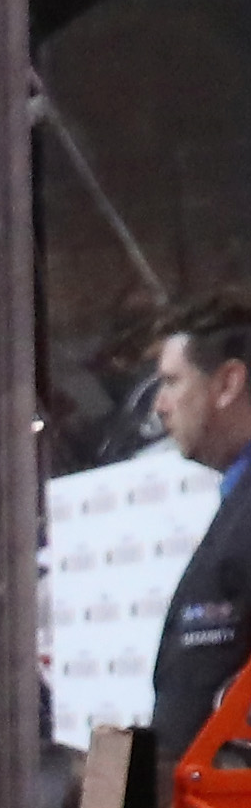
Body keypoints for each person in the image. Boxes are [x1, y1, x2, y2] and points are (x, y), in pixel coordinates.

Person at [149, 289, 251, 776]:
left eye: (171, 382)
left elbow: (191, 716)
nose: (159, 406)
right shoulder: (235, 505)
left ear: (227, 383)